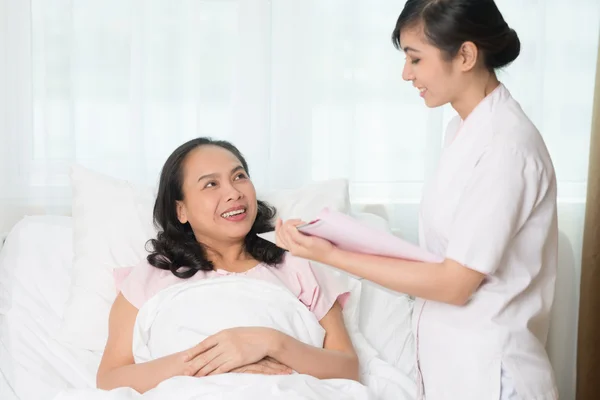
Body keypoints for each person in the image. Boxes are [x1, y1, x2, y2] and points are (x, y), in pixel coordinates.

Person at [276, 1, 558, 399]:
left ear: (465, 54)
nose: (407, 74)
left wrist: (330, 255)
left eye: (415, 59)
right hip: (455, 367)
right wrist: (337, 239)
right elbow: (444, 258)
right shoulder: (464, 130)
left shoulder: (506, 147)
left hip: (493, 374)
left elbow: (454, 283)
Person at [96, 138, 358, 394]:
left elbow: (347, 368)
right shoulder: (152, 275)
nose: (234, 193)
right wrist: (212, 363)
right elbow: (110, 378)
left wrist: (270, 342)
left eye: (239, 176)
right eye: (211, 184)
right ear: (181, 211)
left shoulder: (297, 265)